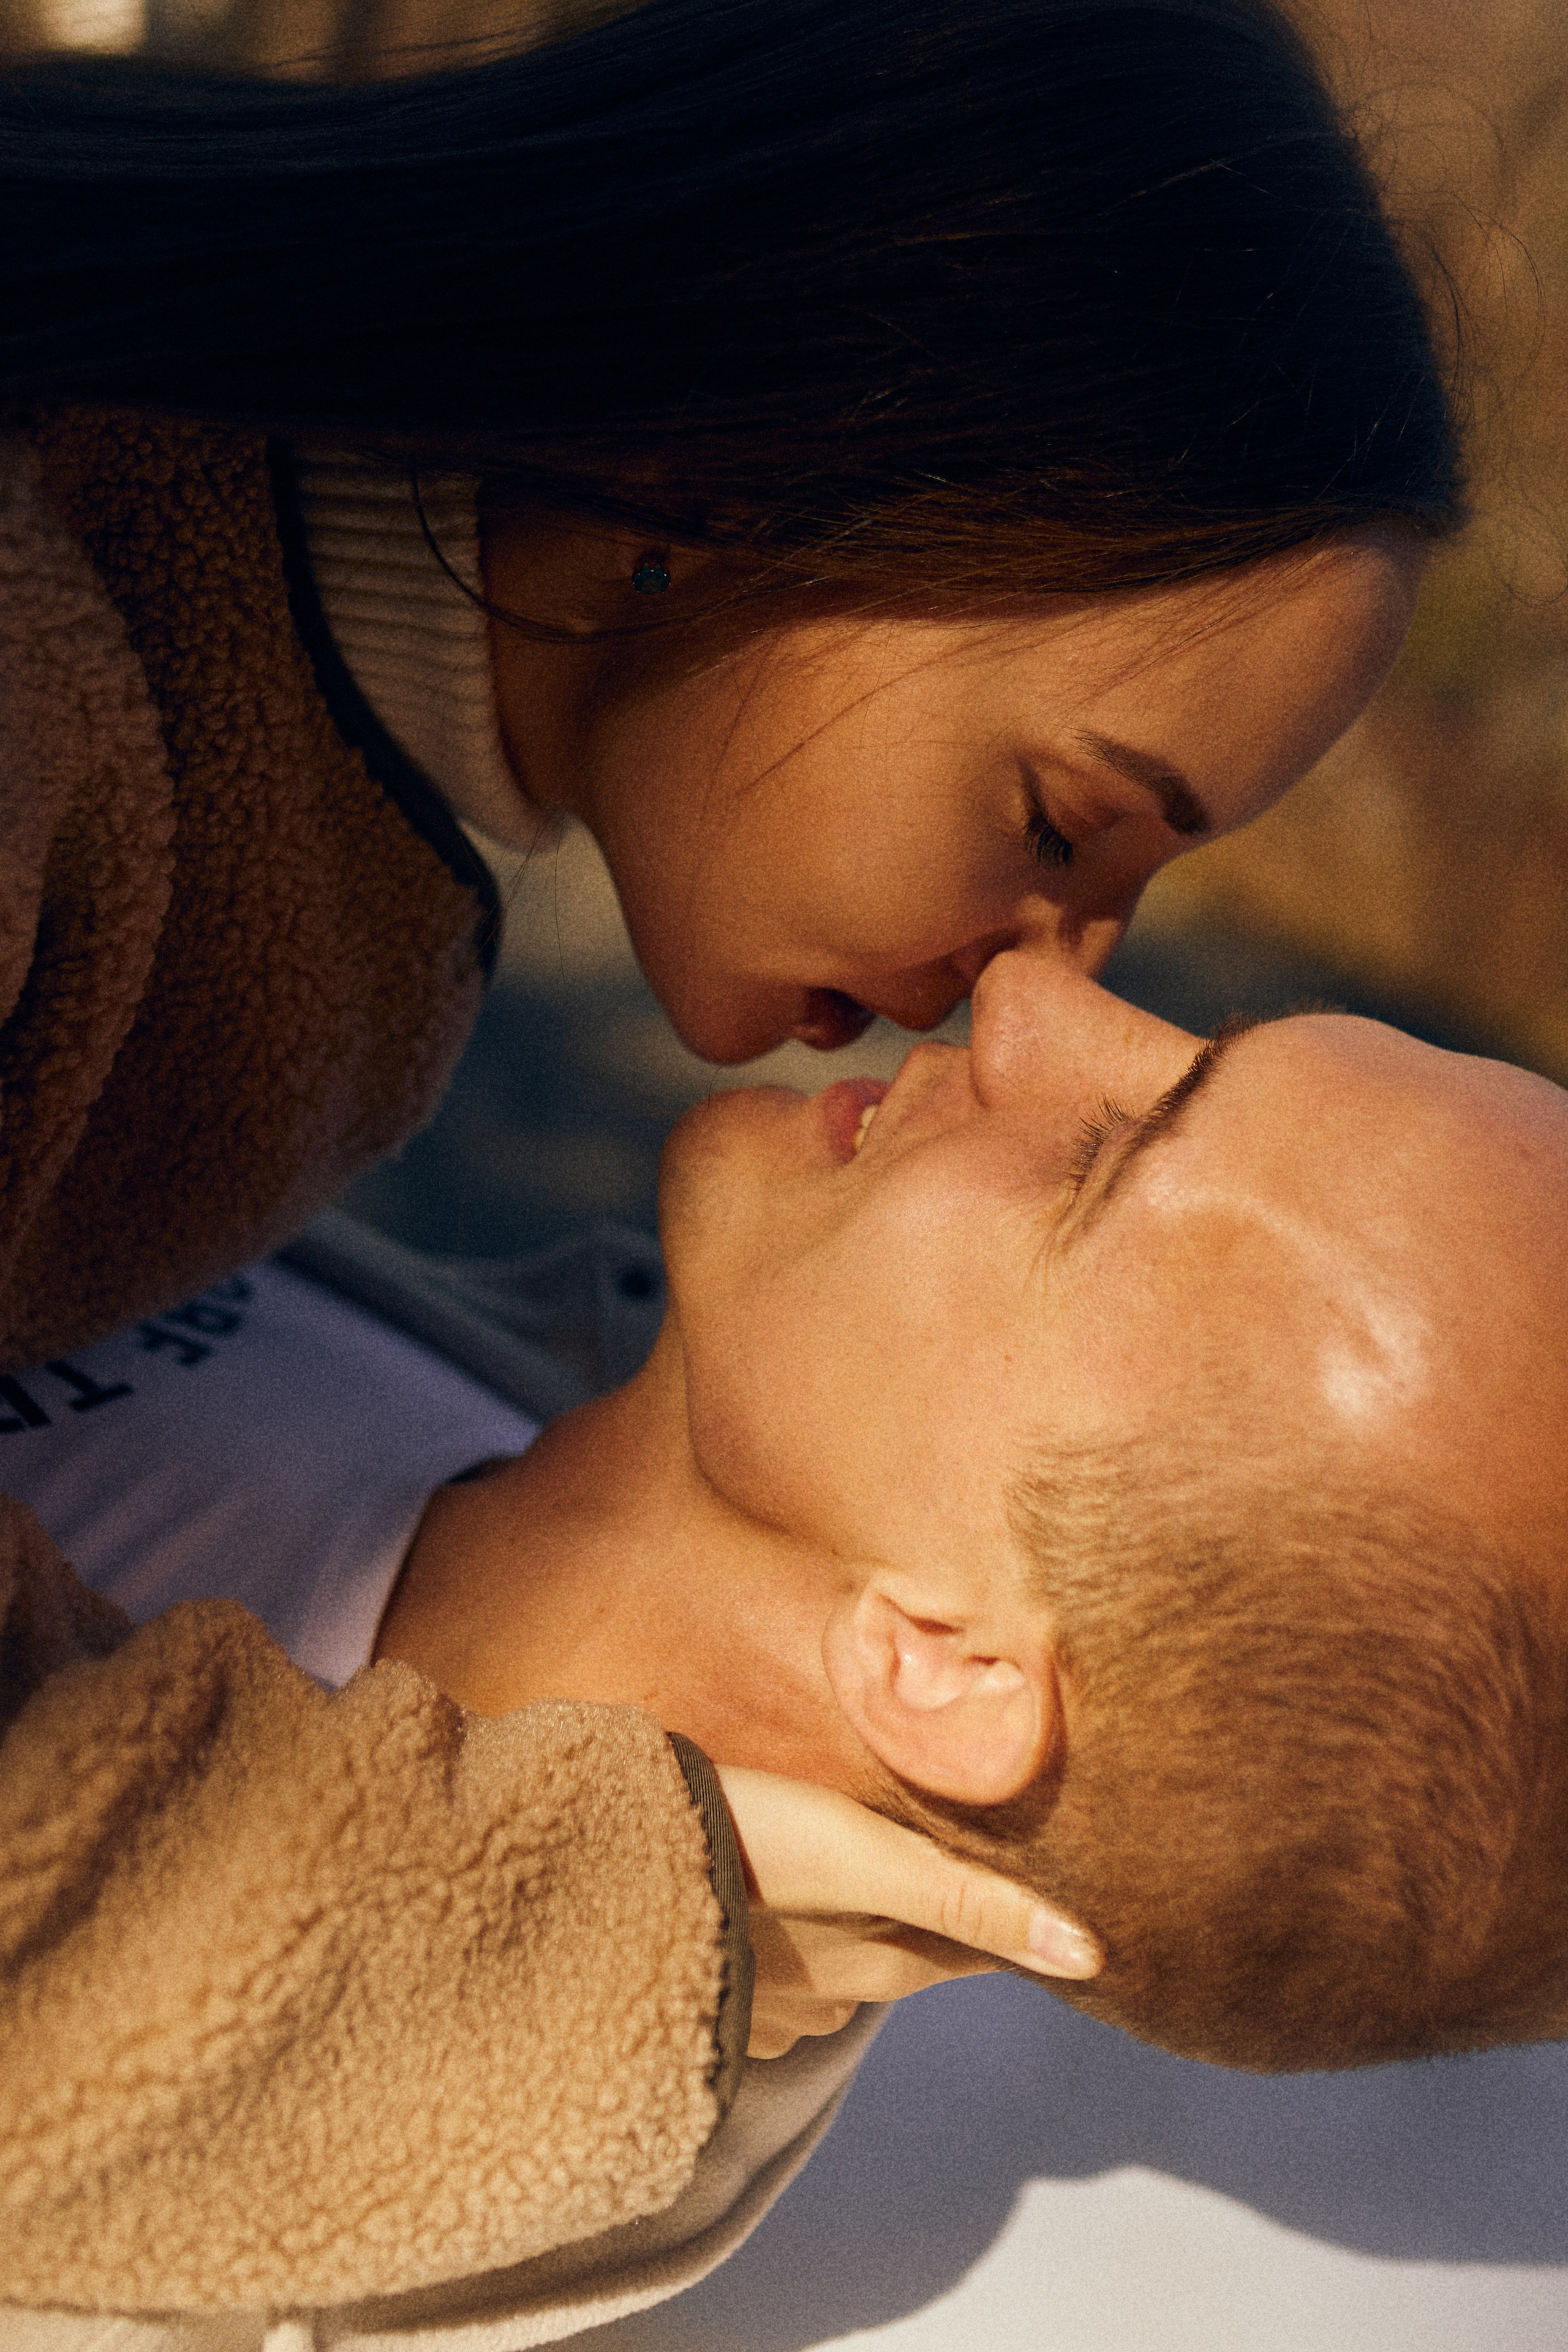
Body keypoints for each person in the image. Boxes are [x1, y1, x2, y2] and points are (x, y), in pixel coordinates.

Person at [0, 0, 1464, 2312]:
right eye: (1060, 819)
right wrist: (613, 1947)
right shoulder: (51, 676)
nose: (1041, 986)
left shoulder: (340, 863)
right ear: (753, 450)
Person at [4, 945, 1567, 2352]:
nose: (1026, 992)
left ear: (945, 1663)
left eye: (1097, 1161)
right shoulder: (481, 1340)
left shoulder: (173, 2169)